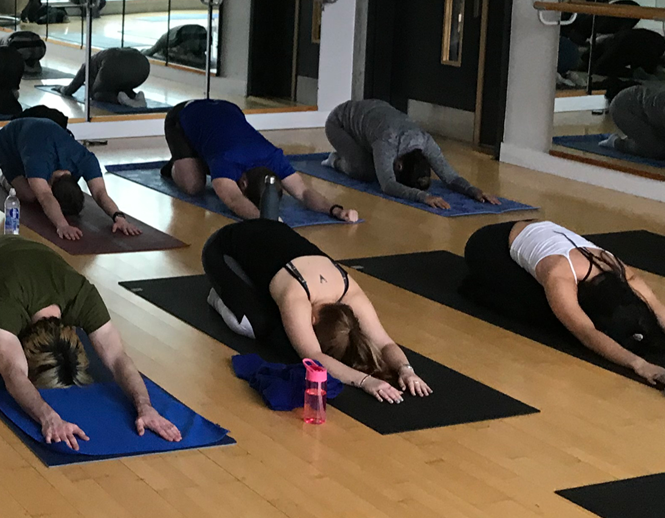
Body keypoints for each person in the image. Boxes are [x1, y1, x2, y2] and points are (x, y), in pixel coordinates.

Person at [0, 235, 182, 449]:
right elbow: (13, 373)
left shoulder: (82, 296)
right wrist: (49, 418)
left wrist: (145, 407)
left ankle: (6, 338)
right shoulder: (5, 300)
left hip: (26, 257)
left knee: (5, 345)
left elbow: (118, 356)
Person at [203, 220, 431, 402]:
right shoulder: (297, 297)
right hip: (223, 247)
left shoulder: (350, 293)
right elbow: (313, 357)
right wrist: (365, 381)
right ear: (312, 319)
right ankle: (219, 296)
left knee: (280, 326)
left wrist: (406, 370)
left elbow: (384, 343)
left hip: (273, 232)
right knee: (256, 325)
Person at [461, 220, 665, 386]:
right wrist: (639, 364)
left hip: (541, 231)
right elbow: (586, 332)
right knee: (546, 315)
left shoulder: (615, 266)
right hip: (489, 244)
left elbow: (656, 307)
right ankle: (475, 286)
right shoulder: (559, 275)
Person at [163, 98, 359, 223]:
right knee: (193, 186)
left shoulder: (274, 157)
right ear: (244, 182)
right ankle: (175, 164)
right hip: (183, 115)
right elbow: (234, 199)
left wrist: (335, 210)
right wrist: (266, 220)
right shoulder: (226, 160)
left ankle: (198, 157)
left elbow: (304, 192)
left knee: (211, 163)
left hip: (228, 109)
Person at [324, 98, 499, 210]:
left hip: (373, 120)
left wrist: (474, 191)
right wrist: (423, 197)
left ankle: (360, 153)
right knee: (364, 171)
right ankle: (335, 160)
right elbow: (387, 185)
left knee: (376, 163)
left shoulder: (425, 141)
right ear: (398, 165)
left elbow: (450, 177)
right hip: (339, 124)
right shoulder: (387, 142)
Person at [0, 115, 140, 240]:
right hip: (8, 143)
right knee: (30, 195)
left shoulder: (85, 159)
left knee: (37, 187)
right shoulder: (38, 161)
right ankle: (5, 179)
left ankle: (31, 178)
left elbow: (100, 192)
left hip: (37, 137)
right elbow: (45, 196)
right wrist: (62, 225)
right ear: (52, 185)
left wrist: (119, 217)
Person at [56, 47, 150, 109]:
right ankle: (136, 97)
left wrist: (62, 89)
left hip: (117, 65)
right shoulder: (101, 59)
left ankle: (123, 101)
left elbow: (72, 87)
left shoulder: (88, 65)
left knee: (96, 94)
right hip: (143, 66)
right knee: (122, 83)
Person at [602, 83, 665, 160]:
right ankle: (616, 142)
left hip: (646, 113)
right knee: (657, 150)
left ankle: (638, 138)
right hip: (623, 108)